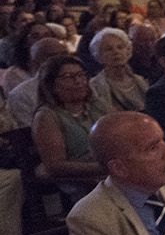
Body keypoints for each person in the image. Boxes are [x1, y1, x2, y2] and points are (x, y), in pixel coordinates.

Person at [33, 55, 111, 203]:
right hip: (80, 182)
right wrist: (102, 168)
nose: (78, 81)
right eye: (68, 77)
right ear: (51, 85)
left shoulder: (97, 105)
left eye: (81, 75)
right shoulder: (47, 116)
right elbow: (55, 165)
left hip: (110, 170)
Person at [5, 37, 68, 125]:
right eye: (53, 56)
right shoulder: (22, 94)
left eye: (64, 54)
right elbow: (30, 130)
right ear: (36, 62)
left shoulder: (81, 84)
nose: (62, 59)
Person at [88, 28, 149, 112]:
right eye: (109, 49)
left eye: (120, 47)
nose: (116, 52)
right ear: (99, 56)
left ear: (128, 51)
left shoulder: (141, 81)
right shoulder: (94, 86)